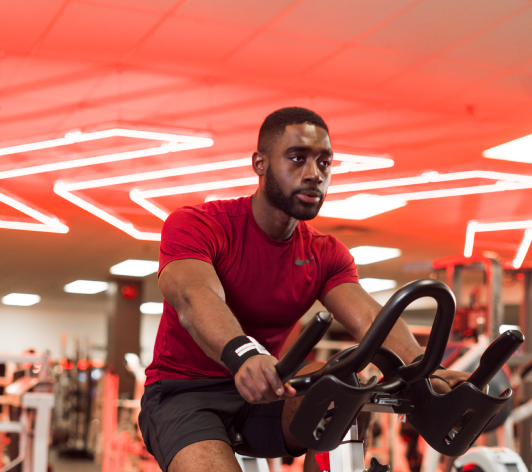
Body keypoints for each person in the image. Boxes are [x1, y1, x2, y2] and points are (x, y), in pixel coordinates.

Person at [138, 107, 468, 472]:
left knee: (342, 383)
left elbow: (372, 319)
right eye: (298, 159)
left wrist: (424, 368)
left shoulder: (325, 253)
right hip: (184, 395)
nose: (314, 174)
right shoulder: (197, 225)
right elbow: (193, 296)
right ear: (259, 164)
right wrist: (243, 355)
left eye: (324, 163)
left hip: (267, 392)